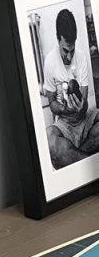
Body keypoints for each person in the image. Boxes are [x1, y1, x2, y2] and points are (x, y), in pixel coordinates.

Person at [41, 9, 99, 169]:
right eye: (65, 50)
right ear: (58, 40)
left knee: (61, 155)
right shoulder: (50, 62)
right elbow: (52, 102)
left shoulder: (81, 57)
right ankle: (89, 164)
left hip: (84, 120)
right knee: (48, 141)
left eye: (72, 50)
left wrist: (81, 107)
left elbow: (85, 105)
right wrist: (64, 109)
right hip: (64, 124)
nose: (69, 56)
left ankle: (72, 157)